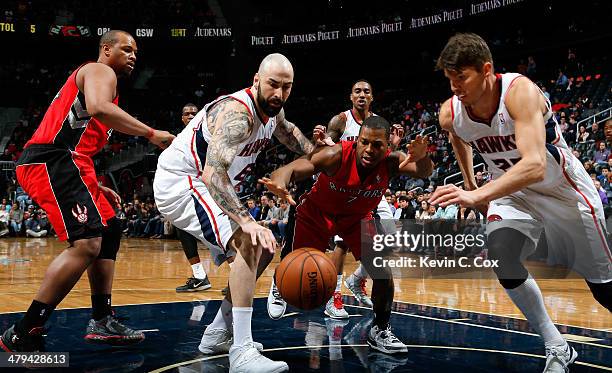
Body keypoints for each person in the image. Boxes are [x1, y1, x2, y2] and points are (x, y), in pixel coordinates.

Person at [430, 32, 611, 373]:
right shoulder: (450, 113)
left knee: (604, 289)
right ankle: (556, 344)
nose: (455, 87)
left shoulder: (519, 92)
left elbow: (534, 164)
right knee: (502, 254)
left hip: (562, 190)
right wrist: (469, 181)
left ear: (486, 70)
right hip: (513, 192)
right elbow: (458, 135)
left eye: (462, 77)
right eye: (450, 79)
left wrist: (477, 193)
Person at [0, 30, 175, 352]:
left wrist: (95, 186)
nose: (133, 55)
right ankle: (25, 329)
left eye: (136, 51)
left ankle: (102, 319)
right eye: (126, 49)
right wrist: (152, 134)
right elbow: (97, 108)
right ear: (106, 49)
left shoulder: (105, 81)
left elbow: (81, 141)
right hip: (51, 159)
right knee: (87, 243)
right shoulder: (99, 70)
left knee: (109, 227)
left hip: (72, 164)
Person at [154, 53, 318, 372]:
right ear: (256, 80)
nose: (278, 94)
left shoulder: (273, 110)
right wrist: (245, 220)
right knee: (250, 240)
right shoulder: (238, 114)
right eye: (272, 85)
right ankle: (241, 352)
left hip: (205, 182)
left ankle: (217, 332)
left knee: (265, 248)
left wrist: (317, 150)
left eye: (286, 87)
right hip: (183, 181)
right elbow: (213, 174)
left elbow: (290, 134)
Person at [261, 115, 433, 354]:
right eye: (364, 142)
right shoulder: (336, 155)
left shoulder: (392, 161)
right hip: (317, 215)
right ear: (358, 139)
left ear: (388, 147)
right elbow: (293, 168)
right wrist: (280, 181)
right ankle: (280, 282)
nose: (369, 149)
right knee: (295, 266)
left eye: (377, 145)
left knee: (382, 269)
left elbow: (423, 171)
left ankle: (380, 330)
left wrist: (423, 156)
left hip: (357, 218)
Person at [267, 79, 403, 320]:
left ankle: (358, 281)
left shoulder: (379, 123)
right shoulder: (341, 120)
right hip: (335, 186)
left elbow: (395, 159)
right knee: (324, 248)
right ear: (351, 96)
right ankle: (319, 293)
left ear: (372, 97)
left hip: (367, 190)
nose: (362, 95)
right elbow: (318, 153)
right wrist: (319, 144)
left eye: (366, 92)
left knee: (387, 244)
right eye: (357, 91)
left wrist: (394, 147)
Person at [174, 103, 212, 293]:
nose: (190, 116)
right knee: (182, 229)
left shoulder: (208, 134)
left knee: (218, 233)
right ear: (182, 118)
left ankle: (236, 276)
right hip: (185, 190)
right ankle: (199, 276)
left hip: (208, 188)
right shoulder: (177, 140)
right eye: (186, 113)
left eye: (194, 114)